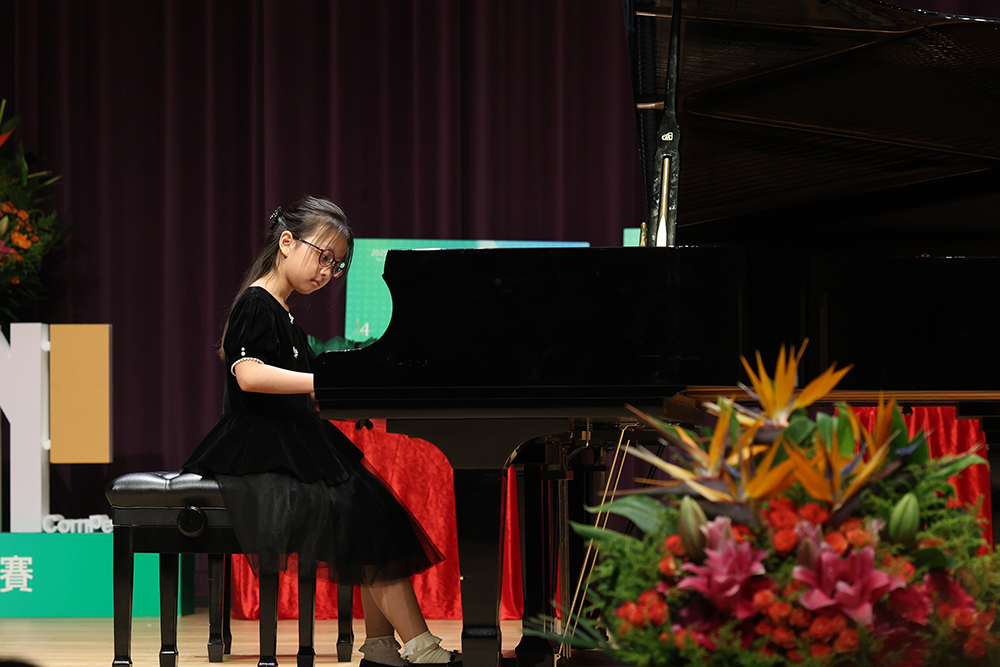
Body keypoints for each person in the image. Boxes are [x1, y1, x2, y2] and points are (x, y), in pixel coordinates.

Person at [182, 196, 458, 667]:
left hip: (290, 440)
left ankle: (380, 646)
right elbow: (248, 375)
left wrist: (366, 401)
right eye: (323, 257)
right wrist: (321, 383)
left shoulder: (283, 312)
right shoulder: (256, 303)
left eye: (337, 265)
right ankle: (420, 647)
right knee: (365, 514)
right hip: (260, 448)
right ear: (287, 243)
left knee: (374, 513)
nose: (328, 272)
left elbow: (309, 393)